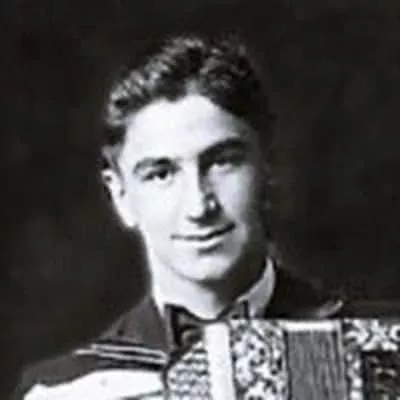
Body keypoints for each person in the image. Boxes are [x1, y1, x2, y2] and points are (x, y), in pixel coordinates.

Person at [16, 32, 346, 399]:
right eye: (161, 174)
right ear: (121, 195)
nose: (198, 206)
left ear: (268, 167)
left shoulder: (370, 346)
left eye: (222, 162)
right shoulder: (66, 392)